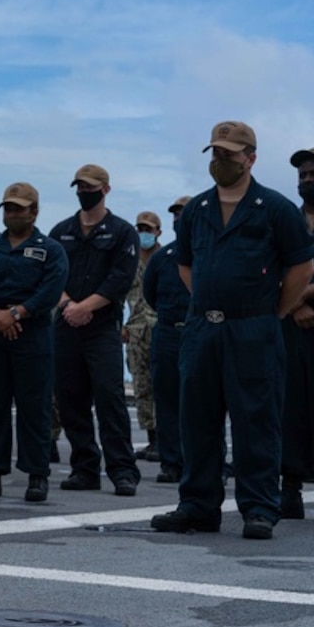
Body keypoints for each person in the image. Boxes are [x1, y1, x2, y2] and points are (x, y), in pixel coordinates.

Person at [151, 122, 314, 540]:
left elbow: (302, 267)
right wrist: (209, 302)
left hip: (254, 329)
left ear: (251, 158)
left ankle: (259, 508)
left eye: (230, 153)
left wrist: (274, 310)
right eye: (216, 153)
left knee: (256, 420)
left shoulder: (274, 208)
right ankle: (197, 506)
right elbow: (185, 264)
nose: (221, 160)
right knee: (197, 419)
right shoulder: (197, 211)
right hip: (203, 329)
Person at [0, 183, 68, 501]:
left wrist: (17, 313)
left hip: (32, 336)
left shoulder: (50, 250)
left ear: (34, 211)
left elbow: (51, 289)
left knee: (34, 407)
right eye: (7, 208)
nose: (12, 214)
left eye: (18, 208)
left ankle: (37, 475)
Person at [49, 164, 140, 497]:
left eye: (90, 187)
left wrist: (85, 307)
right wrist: (68, 305)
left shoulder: (122, 232)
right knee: (71, 400)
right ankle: (84, 468)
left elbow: (121, 277)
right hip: (66, 325)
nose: (83, 192)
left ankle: (122, 471)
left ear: (105, 189)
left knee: (109, 399)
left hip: (102, 328)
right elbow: (51, 273)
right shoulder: (61, 231)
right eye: (79, 187)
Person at [141, 196, 192, 483]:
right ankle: (171, 463)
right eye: (174, 215)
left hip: (198, 333)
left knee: (203, 401)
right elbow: (150, 294)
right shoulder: (163, 258)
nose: (178, 219)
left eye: (183, 214)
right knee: (167, 399)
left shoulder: (208, 252)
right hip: (168, 333)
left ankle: (206, 463)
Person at [280, 146, 314, 519]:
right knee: (288, 406)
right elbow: (269, 267)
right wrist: (296, 305)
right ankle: (289, 486)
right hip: (290, 326)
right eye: (302, 176)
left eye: (313, 175)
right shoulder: (286, 218)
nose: (307, 181)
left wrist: (301, 295)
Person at [125, 210, 162, 461]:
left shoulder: (166, 258)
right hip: (136, 331)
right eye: (140, 228)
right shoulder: (129, 261)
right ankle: (151, 440)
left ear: (158, 232)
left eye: (148, 229)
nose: (144, 233)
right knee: (142, 387)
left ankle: (165, 440)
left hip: (162, 328)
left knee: (164, 387)